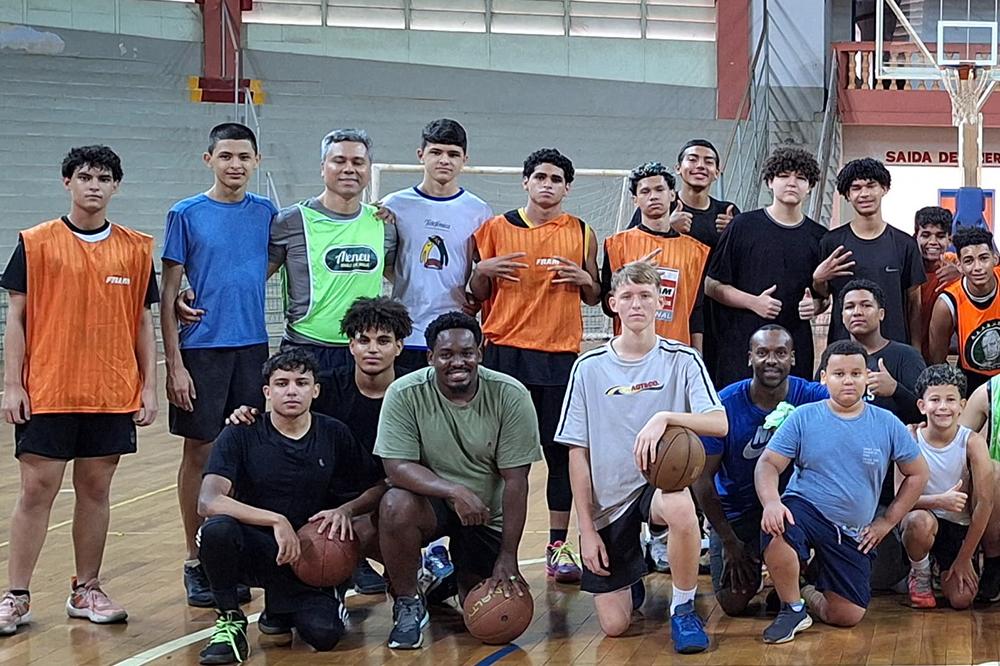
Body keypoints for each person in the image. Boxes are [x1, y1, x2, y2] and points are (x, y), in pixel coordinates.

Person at [0, 146, 159, 635]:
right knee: (36, 491)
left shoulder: (136, 248)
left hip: (110, 392)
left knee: (96, 490)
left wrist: (149, 386)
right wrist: (11, 385)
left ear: (116, 186)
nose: (94, 185)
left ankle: (86, 588)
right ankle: (16, 595)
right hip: (47, 390)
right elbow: (17, 320)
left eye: (104, 177)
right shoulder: (36, 242)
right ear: (66, 182)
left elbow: (141, 324)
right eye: (85, 176)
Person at [557, 261, 727, 652]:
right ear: (613, 303)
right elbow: (577, 453)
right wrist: (585, 530)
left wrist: (664, 416)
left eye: (646, 296)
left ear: (659, 303)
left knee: (681, 505)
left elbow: (719, 423)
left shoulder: (682, 359)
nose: (637, 304)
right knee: (615, 626)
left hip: (656, 483)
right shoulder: (588, 367)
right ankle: (629, 576)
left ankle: (683, 609)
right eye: (628, 296)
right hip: (608, 497)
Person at [196, 348, 385, 663]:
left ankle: (288, 607)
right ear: (267, 392)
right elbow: (208, 500)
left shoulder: (333, 433)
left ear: (316, 390)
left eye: (301, 382)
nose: (292, 391)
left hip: (311, 554)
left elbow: (378, 485)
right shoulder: (241, 432)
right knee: (216, 530)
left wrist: (346, 510)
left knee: (324, 637)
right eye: (282, 383)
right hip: (260, 548)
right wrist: (276, 521)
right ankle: (230, 619)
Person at [470, 148, 600, 584]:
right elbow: (474, 294)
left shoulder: (582, 232)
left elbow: (596, 294)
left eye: (556, 179)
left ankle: (558, 546)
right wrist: (482, 269)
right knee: (494, 458)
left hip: (560, 357)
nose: (547, 184)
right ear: (525, 181)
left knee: (561, 454)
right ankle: (484, 545)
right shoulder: (493, 229)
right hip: (504, 354)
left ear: (568, 187)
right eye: (540, 176)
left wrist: (586, 281)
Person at [374, 312, 541, 650]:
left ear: (480, 352)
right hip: (432, 505)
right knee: (394, 504)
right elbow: (396, 467)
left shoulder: (511, 395)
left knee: (482, 614)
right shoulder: (405, 393)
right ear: (430, 357)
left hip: (485, 514)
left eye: (466, 352)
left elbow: (516, 482)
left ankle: (449, 580)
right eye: (446, 354)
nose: (458, 362)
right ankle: (408, 601)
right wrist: (453, 490)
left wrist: (508, 556)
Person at [161, 122, 277, 607]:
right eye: (226, 156)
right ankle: (196, 558)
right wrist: (175, 366)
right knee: (200, 452)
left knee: (249, 453)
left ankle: (240, 553)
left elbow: (269, 261)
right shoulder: (185, 213)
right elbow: (168, 296)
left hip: (253, 347)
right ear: (208, 159)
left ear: (256, 161)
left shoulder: (268, 213)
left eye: (244, 157)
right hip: (202, 351)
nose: (235, 164)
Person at [226, 295, 413, 595]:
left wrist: (350, 510)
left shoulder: (412, 392)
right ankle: (299, 578)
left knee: (397, 507)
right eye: (363, 340)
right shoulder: (323, 388)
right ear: (351, 346)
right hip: (328, 501)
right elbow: (281, 413)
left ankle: (415, 575)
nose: (373, 349)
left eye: (383, 340)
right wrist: (247, 415)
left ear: (399, 347)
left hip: (388, 495)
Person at [755, 340, 928, 643]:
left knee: (847, 616)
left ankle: (806, 588)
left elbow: (918, 474)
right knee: (777, 523)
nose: (848, 380)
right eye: (838, 374)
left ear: (866, 377)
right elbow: (768, 464)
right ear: (823, 377)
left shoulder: (886, 423)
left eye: (855, 373)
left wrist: (887, 522)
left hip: (852, 531)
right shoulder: (804, 416)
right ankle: (792, 608)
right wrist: (770, 502)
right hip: (806, 509)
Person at [693, 325, 827, 616]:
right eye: (763, 352)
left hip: (792, 509)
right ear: (749, 358)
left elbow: (851, 405)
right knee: (732, 602)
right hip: (737, 513)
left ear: (792, 358)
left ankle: (801, 576)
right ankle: (762, 563)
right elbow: (702, 480)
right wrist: (729, 541)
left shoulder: (812, 396)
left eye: (780, 353)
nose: (771, 360)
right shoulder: (724, 405)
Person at [268, 128, 396, 372]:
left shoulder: (383, 224)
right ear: (322, 167)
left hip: (363, 353)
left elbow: (406, 278)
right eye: (339, 161)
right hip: (305, 348)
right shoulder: (292, 221)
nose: (349, 168)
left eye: (358, 162)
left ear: (368, 169)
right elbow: (252, 278)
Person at [705, 147, 826, 387]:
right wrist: (753, 301)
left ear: (810, 187)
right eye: (784, 175)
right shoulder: (743, 226)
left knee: (789, 416)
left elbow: (825, 295)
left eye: (801, 178)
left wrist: (815, 305)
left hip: (794, 346)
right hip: (742, 345)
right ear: (770, 181)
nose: (792, 183)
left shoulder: (820, 237)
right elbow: (711, 285)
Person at [381, 119, 493, 369]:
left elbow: (483, 269)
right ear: (421, 155)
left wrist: (474, 295)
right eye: (436, 152)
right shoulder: (395, 204)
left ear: (465, 159)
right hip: (406, 329)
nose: (444, 160)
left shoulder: (478, 210)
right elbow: (383, 261)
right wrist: (407, 280)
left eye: (453, 154)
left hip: (453, 330)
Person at [899, 364, 992, 609]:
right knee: (918, 522)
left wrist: (964, 558)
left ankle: (945, 569)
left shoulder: (972, 442)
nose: (942, 407)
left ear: (962, 405)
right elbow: (899, 499)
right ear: (922, 405)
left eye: (950, 400)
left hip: (958, 527)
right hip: (923, 520)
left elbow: (985, 502)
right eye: (935, 400)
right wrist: (939, 501)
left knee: (962, 601)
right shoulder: (909, 437)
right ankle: (920, 572)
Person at [812, 158, 926, 347]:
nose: (864, 194)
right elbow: (822, 296)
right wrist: (818, 279)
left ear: (884, 189)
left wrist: (915, 352)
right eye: (856, 188)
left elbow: (914, 305)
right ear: (847, 195)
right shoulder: (831, 242)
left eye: (871, 186)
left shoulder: (905, 244)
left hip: (894, 348)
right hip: (844, 349)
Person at [601, 162, 710, 350]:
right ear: (635, 200)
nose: (653, 196)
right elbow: (607, 305)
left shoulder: (696, 251)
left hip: (677, 350)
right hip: (630, 351)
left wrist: (698, 352)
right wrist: (629, 276)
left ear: (672, 195)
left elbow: (696, 310)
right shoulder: (616, 245)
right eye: (645, 192)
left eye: (659, 189)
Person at [840, 279, 926, 426]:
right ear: (842, 316)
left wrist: (895, 389)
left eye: (866, 305)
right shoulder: (834, 357)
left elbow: (928, 413)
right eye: (849, 307)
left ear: (881, 314)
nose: (857, 312)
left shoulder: (906, 356)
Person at [625, 139, 738, 249]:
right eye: (692, 160)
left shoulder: (727, 212)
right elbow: (629, 249)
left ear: (717, 173)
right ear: (678, 168)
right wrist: (668, 229)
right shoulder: (656, 206)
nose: (700, 166)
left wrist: (735, 234)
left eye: (708, 162)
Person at [929, 226, 1000, 394]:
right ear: (959, 265)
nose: (978, 267)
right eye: (969, 261)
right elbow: (937, 361)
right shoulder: (947, 303)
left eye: (984, 258)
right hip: (972, 379)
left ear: (995, 259)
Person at [954, 360, 1000, 601]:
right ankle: (994, 563)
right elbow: (955, 442)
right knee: (991, 471)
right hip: (997, 492)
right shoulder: (989, 392)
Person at [913, 206, 960, 361]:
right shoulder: (904, 267)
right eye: (926, 235)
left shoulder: (957, 265)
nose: (932, 242)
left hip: (938, 359)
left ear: (949, 239)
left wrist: (963, 274)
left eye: (940, 236)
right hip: (908, 357)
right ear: (916, 236)